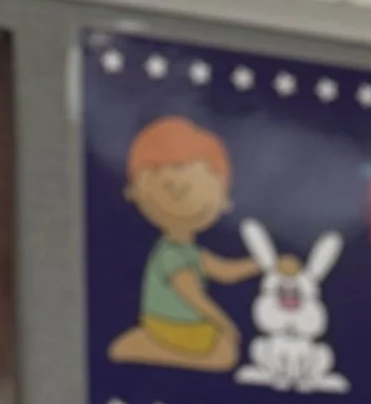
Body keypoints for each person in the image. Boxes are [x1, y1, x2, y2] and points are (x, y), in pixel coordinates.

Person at [107, 115, 261, 372]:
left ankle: (145, 345)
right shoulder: (172, 254)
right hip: (172, 326)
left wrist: (263, 264)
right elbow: (192, 295)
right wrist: (223, 322)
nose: (178, 190)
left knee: (225, 352)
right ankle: (148, 347)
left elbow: (224, 270)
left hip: (180, 327)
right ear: (134, 192)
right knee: (226, 354)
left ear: (224, 202)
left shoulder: (189, 251)